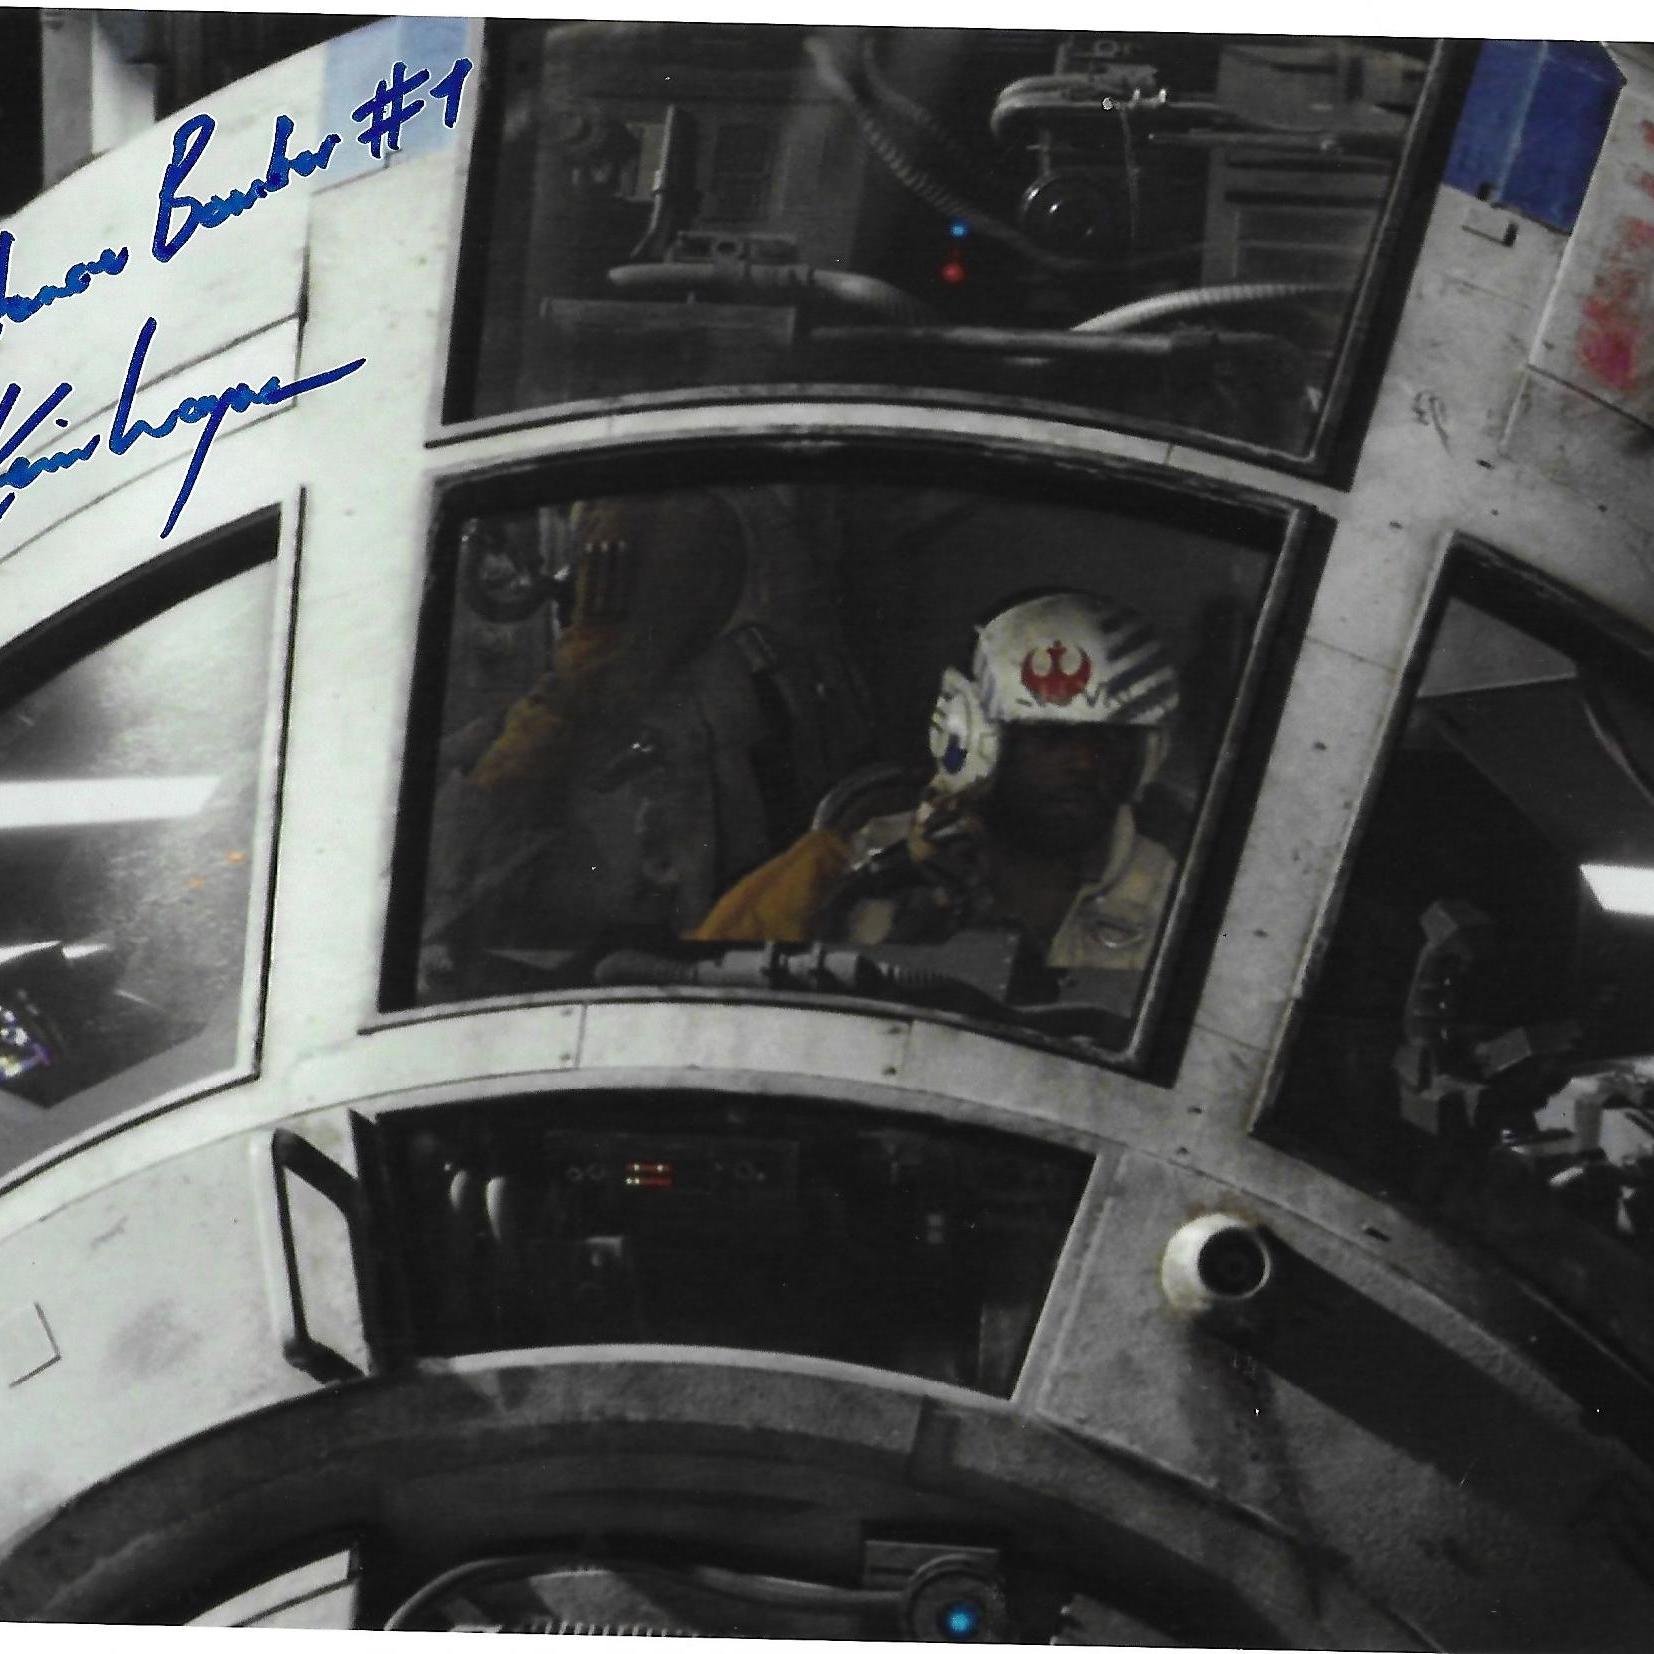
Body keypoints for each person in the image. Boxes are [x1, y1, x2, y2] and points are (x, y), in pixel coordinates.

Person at [691, 591, 1181, 983]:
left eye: (1112, 740)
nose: (1086, 763)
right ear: (974, 738)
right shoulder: (834, 869)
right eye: (1051, 738)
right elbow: (703, 1007)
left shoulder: (1179, 900)